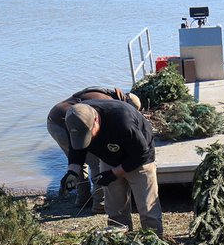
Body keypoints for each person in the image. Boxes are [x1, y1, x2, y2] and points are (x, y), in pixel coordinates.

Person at [64, 100, 162, 235]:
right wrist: (72, 172)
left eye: (88, 135)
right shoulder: (74, 120)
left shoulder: (121, 120)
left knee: (147, 209)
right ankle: (121, 244)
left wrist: (114, 173)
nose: (88, 139)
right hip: (109, 159)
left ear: (96, 120)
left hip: (140, 159)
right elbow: (77, 150)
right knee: (115, 211)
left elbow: (142, 154)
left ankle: (155, 243)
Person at [47, 87, 142, 213]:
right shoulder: (108, 103)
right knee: (96, 162)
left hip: (54, 120)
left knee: (77, 158)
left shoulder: (102, 93)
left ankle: (82, 198)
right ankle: (99, 204)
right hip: (65, 123)